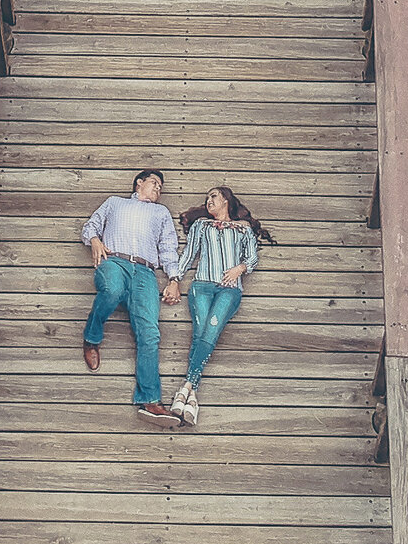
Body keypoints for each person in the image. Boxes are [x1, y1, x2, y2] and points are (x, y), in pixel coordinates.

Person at [79, 168, 185, 428]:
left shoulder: (160, 213)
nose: (158, 189)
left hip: (146, 273)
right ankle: (91, 338)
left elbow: (168, 247)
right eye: (154, 183)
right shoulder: (115, 202)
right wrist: (93, 240)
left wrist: (174, 280)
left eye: (161, 187)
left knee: (150, 334)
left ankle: (150, 400)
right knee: (112, 291)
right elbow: (91, 224)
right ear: (139, 183)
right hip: (115, 261)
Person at [166, 184, 274, 429]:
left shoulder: (243, 229)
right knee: (201, 334)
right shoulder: (201, 225)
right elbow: (188, 254)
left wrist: (240, 268)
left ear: (226, 200)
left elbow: (253, 257)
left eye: (213, 197)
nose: (208, 202)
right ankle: (191, 400)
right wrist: (175, 280)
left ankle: (185, 387)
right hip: (201, 287)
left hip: (229, 290)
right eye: (206, 199)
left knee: (210, 333)